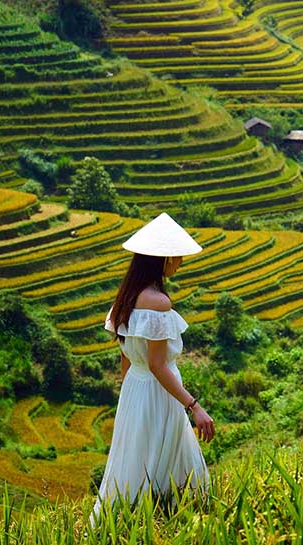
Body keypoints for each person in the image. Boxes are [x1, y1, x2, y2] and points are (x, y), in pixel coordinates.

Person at [89, 213, 215, 527]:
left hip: (135, 389)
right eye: (178, 256)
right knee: (164, 461)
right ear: (165, 258)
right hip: (158, 392)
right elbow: (159, 366)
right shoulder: (158, 303)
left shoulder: (126, 299)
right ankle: (170, 521)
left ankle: (131, 523)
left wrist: (129, 395)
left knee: (135, 459)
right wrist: (194, 407)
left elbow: (126, 359)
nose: (181, 261)